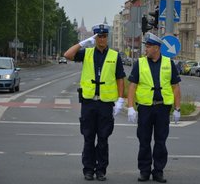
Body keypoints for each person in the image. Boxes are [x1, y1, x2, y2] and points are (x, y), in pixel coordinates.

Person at [64, 23, 126, 181]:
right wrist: (82, 43)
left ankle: (101, 170)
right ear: (95, 37)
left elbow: (120, 79)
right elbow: (67, 55)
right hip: (89, 103)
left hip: (105, 104)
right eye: (99, 36)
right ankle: (88, 169)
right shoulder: (86, 53)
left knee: (103, 139)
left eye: (104, 36)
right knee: (88, 138)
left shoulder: (114, 55)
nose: (102, 39)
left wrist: (120, 99)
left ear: (108, 38)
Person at [127, 32, 181, 183]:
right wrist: (131, 107)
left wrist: (177, 109)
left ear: (157, 48)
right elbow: (132, 86)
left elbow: (175, 87)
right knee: (144, 141)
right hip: (145, 108)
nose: (146, 49)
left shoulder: (168, 63)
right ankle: (144, 171)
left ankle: (158, 171)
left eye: (149, 46)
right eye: (146, 46)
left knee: (161, 141)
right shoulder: (140, 63)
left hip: (162, 108)